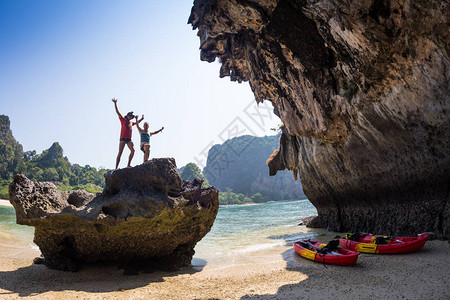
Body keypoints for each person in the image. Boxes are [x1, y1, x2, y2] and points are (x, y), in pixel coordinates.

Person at [112, 98, 143, 169]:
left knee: (133, 150)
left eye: (132, 117)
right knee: (120, 153)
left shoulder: (131, 123)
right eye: (130, 116)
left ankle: (128, 164)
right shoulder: (123, 119)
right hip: (123, 138)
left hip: (129, 139)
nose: (131, 117)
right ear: (127, 115)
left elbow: (137, 123)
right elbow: (117, 112)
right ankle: (116, 167)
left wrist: (140, 119)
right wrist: (115, 103)